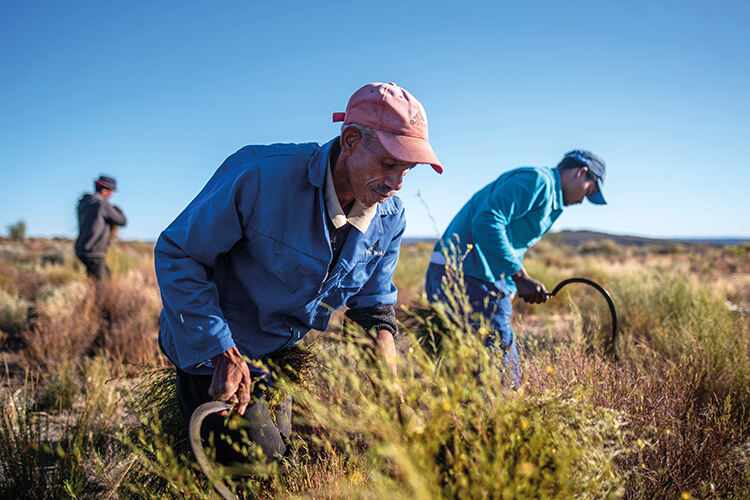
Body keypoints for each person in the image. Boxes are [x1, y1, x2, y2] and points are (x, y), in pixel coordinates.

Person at [154, 82, 442, 463]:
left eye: (408, 169)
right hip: (216, 349)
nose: (397, 183)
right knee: (255, 462)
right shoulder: (259, 177)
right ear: (351, 139)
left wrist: (391, 392)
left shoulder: (389, 217)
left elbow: (374, 307)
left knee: (282, 453)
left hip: (281, 350)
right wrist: (220, 350)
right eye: (390, 164)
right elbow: (178, 253)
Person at [424, 150, 607, 386]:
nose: (583, 200)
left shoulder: (549, 195)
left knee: (461, 372)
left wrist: (509, 284)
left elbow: (510, 241)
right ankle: (496, 422)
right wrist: (519, 277)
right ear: (581, 172)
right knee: (501, 376)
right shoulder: (537, 181)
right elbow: (487, 221)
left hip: (467, 274)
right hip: (467, 275)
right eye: (588, 191)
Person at [75, 175, 127, 280]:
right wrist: (117, 210)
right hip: (94, 251)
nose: (111, 194)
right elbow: (122, 221)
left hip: (82, 249)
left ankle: (91, 294)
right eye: (111, 191)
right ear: (104, 190)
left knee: (95, 279)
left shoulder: (84, 202)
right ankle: (98, 296)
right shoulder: (102, 204)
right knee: (104, 284)